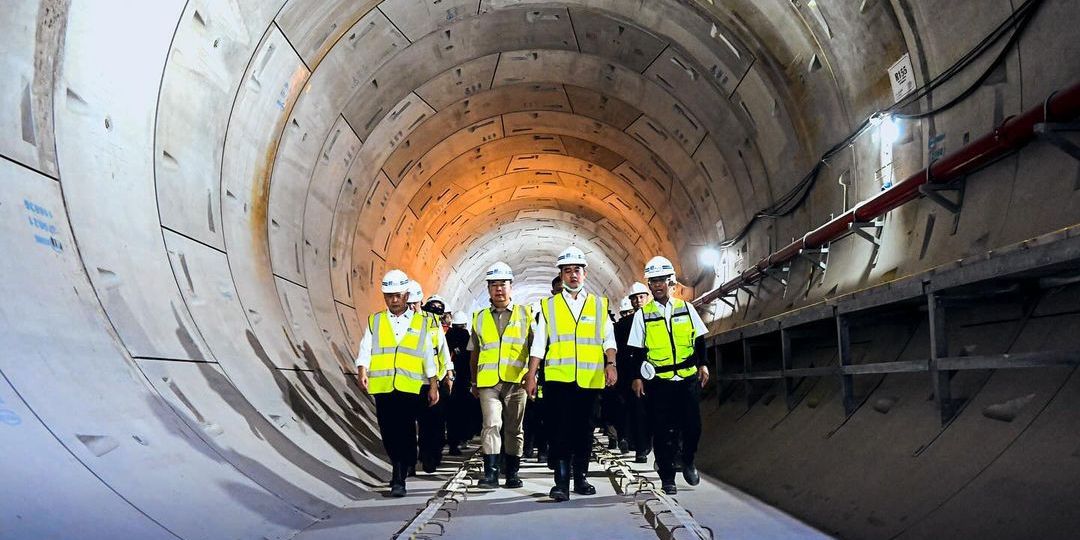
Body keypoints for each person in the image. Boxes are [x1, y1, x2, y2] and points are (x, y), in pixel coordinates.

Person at [524, 247, 617, 502]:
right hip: (558, 381)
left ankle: (581, 478)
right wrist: (531, 375)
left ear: (585, 273)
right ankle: (561, 483)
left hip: (589, 380)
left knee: (584, 432)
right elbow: (539, 344)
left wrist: (611, 363)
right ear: (561, 275)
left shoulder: (599, 305)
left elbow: (608, 339)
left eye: (577, 270)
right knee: (559, 430)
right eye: (567, 270)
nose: (572, 275)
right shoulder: (549, 306)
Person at [627, 257, 710, 495]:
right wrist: (637, 377)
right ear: (650, 285)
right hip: (659, 381)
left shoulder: (686, 309)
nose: (658, 285)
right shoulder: (643, 315)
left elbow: (700, 339)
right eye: (653, 281)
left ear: (670, 281)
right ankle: (667, 477)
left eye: (662, 280)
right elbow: (636, 350)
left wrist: (703, 364)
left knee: (692, 426)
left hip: (686, 377)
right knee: (662, 430)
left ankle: (688, 460)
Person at [355, 270, 441, 497]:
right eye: (389, 296)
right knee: (388, 431)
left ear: (406, 295)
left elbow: (427, 356)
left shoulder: (421, 323)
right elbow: (366, 347)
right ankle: (401, 462)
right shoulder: (376, 320)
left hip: (409, 386)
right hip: (382, 386)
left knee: (404, 429)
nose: (393, 300)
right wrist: (362, 368)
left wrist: (433, 384)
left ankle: (398, 476)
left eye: (398, 296)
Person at [469, 262, 532, 489]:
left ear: (510, 286)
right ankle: (491, 473)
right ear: (488, 289)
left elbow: (536, 349)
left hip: (517, 382)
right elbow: (474, 352)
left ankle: (513, 472)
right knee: (492, 424)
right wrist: (474, 381)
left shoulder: (526, 314)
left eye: (503, 284)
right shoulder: (479, 317)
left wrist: (532, 376)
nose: (498, 289)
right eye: (494, 285)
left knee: (514, 428)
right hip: (488, 382)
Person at [410, 283, 454, 473]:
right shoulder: (399, 323)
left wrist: (449, 374)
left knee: (432, 422)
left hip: (434, 379)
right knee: (411, 423)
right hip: (410, 379)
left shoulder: (434, 324)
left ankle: (430, 456)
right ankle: (409, 461)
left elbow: (442, 350)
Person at [445, 311, 476, 456]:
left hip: (448, 380)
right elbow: (472, 359)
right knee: (464, 412)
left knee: (450, 413)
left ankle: (452, 442)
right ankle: (462, 439)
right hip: (464, 381)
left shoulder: (447, 336)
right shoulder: (466, 337)